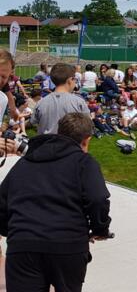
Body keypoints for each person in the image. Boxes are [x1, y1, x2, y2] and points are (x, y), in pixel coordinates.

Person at [0, 112, 112, 292]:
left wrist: (10, 230)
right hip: (68, 245)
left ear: (59, 133)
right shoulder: (84, 162)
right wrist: (100, 229)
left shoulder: (24, 163)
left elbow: (2, 202)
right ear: (86, 140)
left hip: (23, 245)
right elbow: (97, 198)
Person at [33, 63, 90, 135]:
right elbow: (87, 124)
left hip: (45, 143)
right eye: (75, 79)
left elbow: (33, 121)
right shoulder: (79, 102)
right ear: (70, 80)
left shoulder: (41, 102)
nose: (75, 82)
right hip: (69, 143)